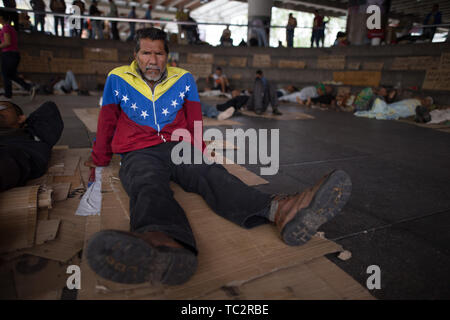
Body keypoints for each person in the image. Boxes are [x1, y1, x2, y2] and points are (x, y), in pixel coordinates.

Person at [83, 27, 352, 286]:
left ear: (168, 56)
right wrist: (100, 157)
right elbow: (108, 121)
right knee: (146, 183)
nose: (152, 60)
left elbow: (194, 121)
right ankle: (162, 242)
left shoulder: (183, 79)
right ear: (136, 55)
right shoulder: (117, 78)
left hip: (179, 145)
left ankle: (280, 210)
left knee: (212, 175)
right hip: (139, 149)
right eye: (145, 53)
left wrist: (199, 154)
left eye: (159, 54)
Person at [0, 100, 63, 192]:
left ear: (20, 118)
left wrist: (27, 125)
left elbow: (49, 107)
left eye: (2, 107)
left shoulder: (26, 146)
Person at [0, 10, 36, 101]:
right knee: (12, 75)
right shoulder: (11, 28)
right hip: (14, 54)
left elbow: (7, 42)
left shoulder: (5, 28)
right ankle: (29, 87)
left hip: (8, 54)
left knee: (5, 74)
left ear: (1, 17)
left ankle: (8, 95)